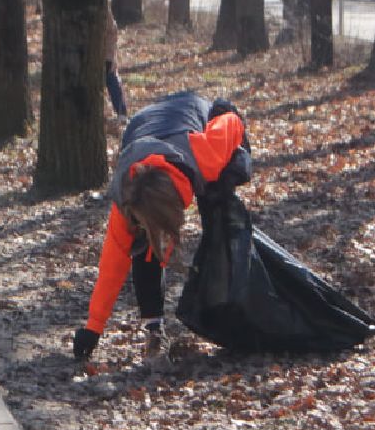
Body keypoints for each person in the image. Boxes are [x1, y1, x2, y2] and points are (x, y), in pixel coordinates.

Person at [73, 91, 250, 363]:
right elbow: (112, 265)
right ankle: (154, 328)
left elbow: (232, 121)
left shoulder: (205, 155)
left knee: (224, 190)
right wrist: (93, 328)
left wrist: (227, 116)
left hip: (189, 112)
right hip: (143, 127)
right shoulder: (126, 200)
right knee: (142, 250)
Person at [104, 7, 127, 119]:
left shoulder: (102, 6)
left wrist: (110, 54)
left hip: (104, 54)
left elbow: (112, 32)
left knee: (111, 79)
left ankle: (121, 113)